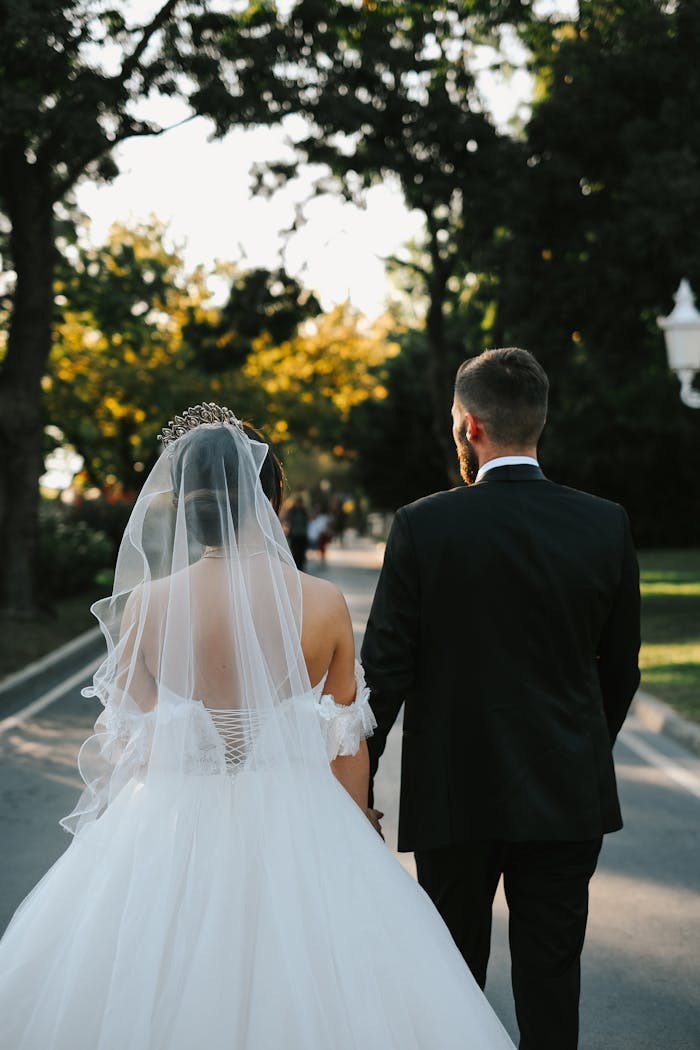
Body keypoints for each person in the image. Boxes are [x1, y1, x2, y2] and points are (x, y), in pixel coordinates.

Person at [0, 404, 515, 1050]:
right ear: (271, 499)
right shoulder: (322, 603)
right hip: (302, 817)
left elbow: (131, 741)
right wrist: (361, 828)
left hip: (172, 822)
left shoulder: (147, 607)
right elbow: (345, 744)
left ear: (184, 505)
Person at [361, 349, 641, 1050]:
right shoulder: (606, 524)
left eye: (456, 421)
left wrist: (353, 780)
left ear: (471, 426)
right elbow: (623, 670)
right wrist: (578, 748)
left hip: (454, 794)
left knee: (451, 983)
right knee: (552, 981)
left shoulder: (423, 526)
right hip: (564, 792)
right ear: (537, 423)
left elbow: (384, 673)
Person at [284, 495, 309, 570]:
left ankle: (301, 566)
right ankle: (295, 566)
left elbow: (308, 520)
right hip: (294, 535)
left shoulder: (304, 511)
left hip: (302, 535)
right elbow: (287, 520)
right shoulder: (292, 511)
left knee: (301, 552)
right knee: (295, 552)